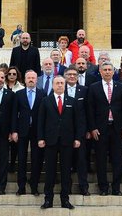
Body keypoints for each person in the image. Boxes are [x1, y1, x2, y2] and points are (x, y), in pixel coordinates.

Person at [38, 75, 84, 210]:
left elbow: (78, 122)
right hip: (50, 141)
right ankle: (48, 200)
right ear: (52, 85)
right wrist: (40, 138)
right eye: (57, 83)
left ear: (65, 85)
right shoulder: (45, 101)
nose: (59, 85)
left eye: (61, 83)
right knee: (50, 171)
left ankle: (65, 200)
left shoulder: (72, 101)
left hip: (67, 141)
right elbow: (40, 122)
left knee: (66, 172)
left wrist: (77, 138)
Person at [86, 61, 122, 196]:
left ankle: (116, 188)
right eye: (105, 69)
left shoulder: (120, 87)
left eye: (110, 69)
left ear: (114, 71)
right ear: (100, 71)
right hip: (100, 129)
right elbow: (90, 110)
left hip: (117, 128)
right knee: (100, 160)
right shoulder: (93, 87)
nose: (107, 72)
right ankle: (103, 187)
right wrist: (92, 128)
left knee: (117, 160)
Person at [11, 70, 45, 196]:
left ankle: (34, 185)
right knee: (22, 159)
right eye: (29, 78)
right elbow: (14, 114)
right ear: (24, 80)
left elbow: (44, 115)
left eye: (33, 78)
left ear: (37, 80)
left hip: (37, 131)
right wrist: (14, 131)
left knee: (37, 159)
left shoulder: (42, 94)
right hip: (22, 130)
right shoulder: (18, 94)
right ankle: (21, 186)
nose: (31, 80)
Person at [64, 66, 91, 195]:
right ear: (65, 76)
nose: (72, 76)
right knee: (66, 160)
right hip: (64, 131)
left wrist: (88, 130)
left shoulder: (84, 90)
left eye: (74, 74)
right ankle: (66, 186)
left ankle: (83, 186)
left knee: (81, 160)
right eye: (69, 74)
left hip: (81, 131)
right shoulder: (60, 89)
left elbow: (88, 111)